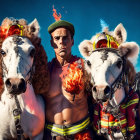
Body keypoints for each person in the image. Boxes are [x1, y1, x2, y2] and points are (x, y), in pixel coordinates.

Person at [44, 20, 93, 140]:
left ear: (72, 41)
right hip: (51, 136)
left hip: (81, 135)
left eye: (65, 38)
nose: (61, 42)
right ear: (52, 43)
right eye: (57, 38)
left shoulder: (85, 67)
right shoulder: (44, 71)